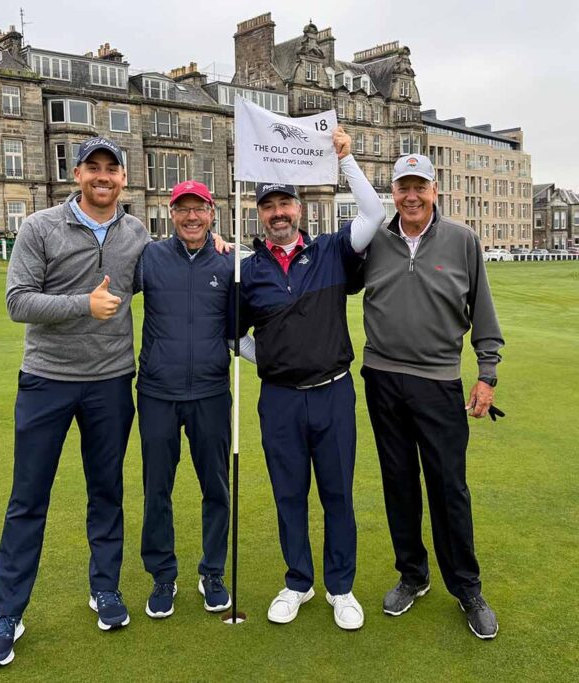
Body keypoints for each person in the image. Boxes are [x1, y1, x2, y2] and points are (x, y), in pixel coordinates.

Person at [0, 136, 150, 667]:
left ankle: (105, 589)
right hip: (47, 381)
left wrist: (209, 248)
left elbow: (162, 273)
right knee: (28, 500)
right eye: (93, 167)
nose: (103, 177)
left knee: (107, 492)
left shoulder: (137, 232)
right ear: (76, 174)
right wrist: (84, 304)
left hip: (111, 383)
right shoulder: (39, 227)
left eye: (112, 169)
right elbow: (16, 301)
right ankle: (8, 613)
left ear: (123, 179)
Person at [236, 128, 384, 631]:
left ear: (298, 209)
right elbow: (232, 336)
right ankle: (298, 581)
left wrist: (347, 161)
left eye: (286, 203)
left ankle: (340, 587)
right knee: (289, 494)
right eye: (270, 205)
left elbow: (374, 215)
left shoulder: (329, 252)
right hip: (279, 401)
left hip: (333, 395)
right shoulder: (248, 271)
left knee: (338, 493)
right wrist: (271, 359)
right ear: (260, 213)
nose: (278, 212)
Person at [359, 153, 504, 639]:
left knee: (448, 488)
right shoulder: (374, 239)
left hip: (440, 382)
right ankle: (412, 576)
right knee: (398, 482)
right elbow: (320, 264)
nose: (412, 196)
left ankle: (467, 587)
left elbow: (482, 312)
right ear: (393, 193)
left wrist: (487, 374)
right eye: (404, 187)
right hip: (382, 378)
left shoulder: (462, 241)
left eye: (420, 186)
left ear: (434, 190)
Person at [133, 180, 255, 620]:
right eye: (182, 209)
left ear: (212, 213)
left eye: (198, 209)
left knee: (216, 487)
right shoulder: (150, 258)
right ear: (171, 213)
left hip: (210, 392)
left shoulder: (227, 262)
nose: (191, 217)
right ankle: (163, 576)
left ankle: (213, 572)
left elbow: (237, 331)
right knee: (157, 490)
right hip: (157, 393)